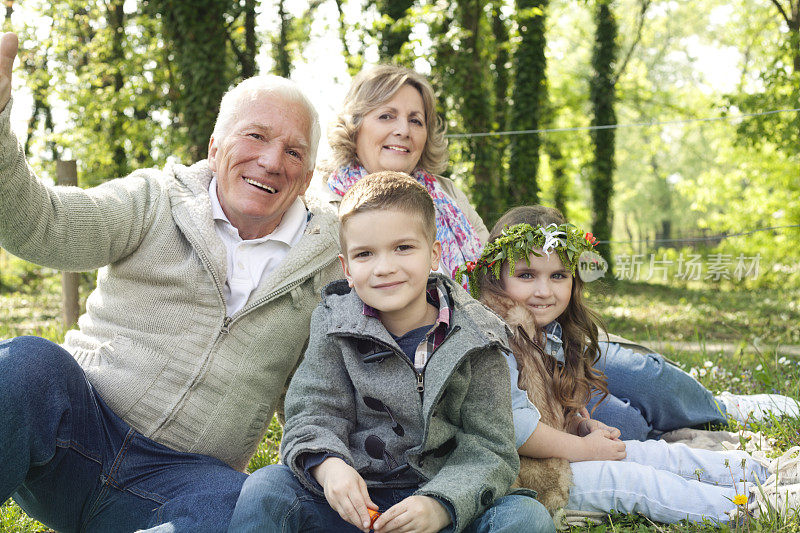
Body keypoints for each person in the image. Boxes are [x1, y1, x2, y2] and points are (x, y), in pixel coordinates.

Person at [313, 63, 798, 442]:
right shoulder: (336, 212)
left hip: (531, 330)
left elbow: (491, 265)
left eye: (415, 119)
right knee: (622, 422)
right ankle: (665, 435)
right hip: (482, 361)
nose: (403, 130)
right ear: (355, 127)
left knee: (640, 371)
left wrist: (529, 305)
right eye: (387, 116)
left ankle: (721, 408)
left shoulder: (445, 193)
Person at [0, 31, 342, 531]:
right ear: (215, 145)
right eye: (256, 136)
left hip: (180, 486)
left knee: (250, 501)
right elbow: (42, 225)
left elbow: (318, 395)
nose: (271, 161)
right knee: (26, 364)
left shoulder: (328, 265)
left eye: (293, 152)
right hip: (71, 441)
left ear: (307, 177)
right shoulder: (155, 199)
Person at [228, 173, 555, 533]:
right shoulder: (334, 322)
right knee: (268, 487)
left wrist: (440, 505)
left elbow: (490, 449)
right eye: (365, 254)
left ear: (433, 255)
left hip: (443, 507)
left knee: (525, 517)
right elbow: (313, 411)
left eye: (403, 248)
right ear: (347, 268)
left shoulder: (480, 336)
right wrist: (329, 466)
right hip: (355, 507)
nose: (384, 267)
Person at [458, 205, 779, 524]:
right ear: (495, 276)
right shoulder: (492, 335)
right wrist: (584, 450)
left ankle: (763, 472)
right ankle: (755, 506)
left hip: (557, 453)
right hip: (525, 476)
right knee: (637, 481)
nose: (544, 291)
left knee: (649, 453)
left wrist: (580, 426)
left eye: (558, 276)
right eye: (526, 275)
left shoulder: (543, 331)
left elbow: (544, 411)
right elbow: (516, 429)